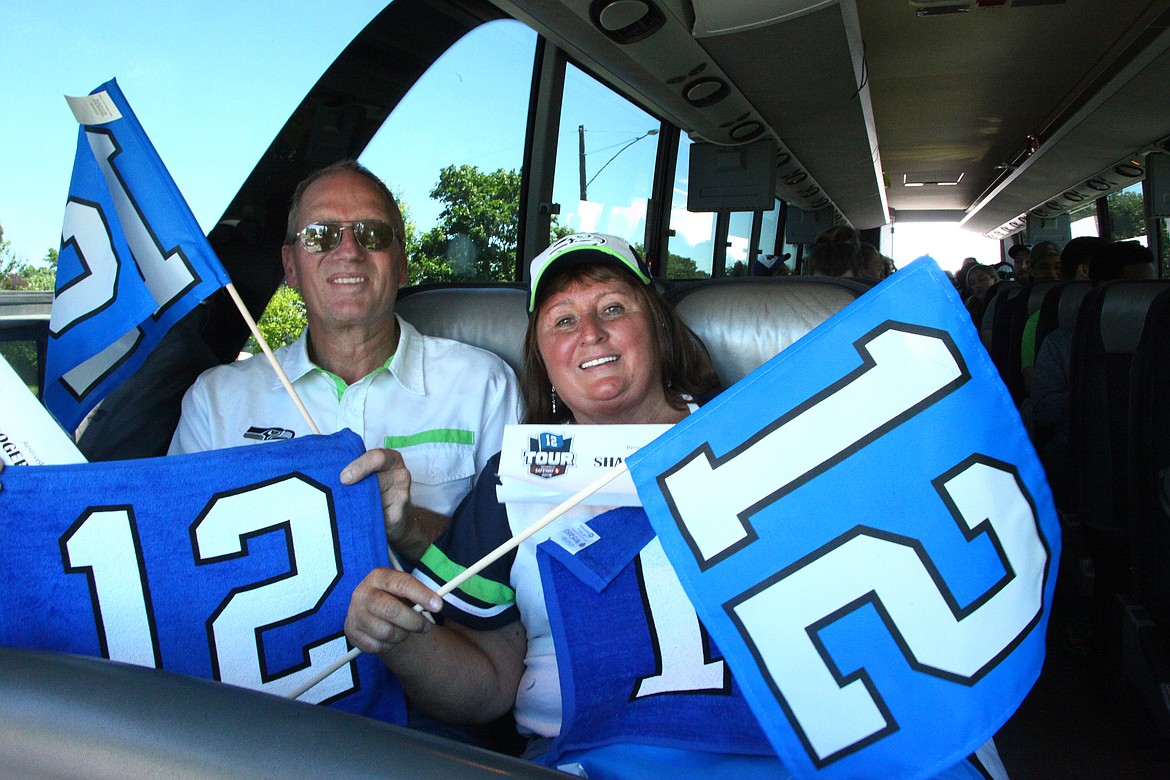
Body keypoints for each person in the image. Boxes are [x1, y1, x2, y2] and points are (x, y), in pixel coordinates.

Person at [344, 232, 1007, 779]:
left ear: (656, 328)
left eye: (613, 308)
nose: (591, 335)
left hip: (802, 751)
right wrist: (408, 645)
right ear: (542, 358)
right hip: (595, 760)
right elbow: (487, 685)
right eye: (562, 321)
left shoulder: (766, 439)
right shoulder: (508, 480)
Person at [169, 160, 521, 557]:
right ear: (290, 267)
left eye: (373, 233)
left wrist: (409, 525)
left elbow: (515, 564)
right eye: (320, 235)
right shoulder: (216, 402)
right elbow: (181, 558)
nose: (349, 251)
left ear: (402, 262)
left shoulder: (483, 386)